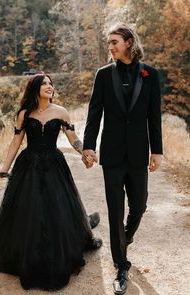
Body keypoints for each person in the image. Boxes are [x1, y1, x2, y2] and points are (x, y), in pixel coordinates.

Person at [0, 73, 102, 291]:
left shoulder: (61, 112)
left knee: (56, 210)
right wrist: (4, 167)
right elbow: (16, 142)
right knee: (29, 211)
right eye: (44, 84)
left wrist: (85, 153)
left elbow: (73, 138)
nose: (49, 86)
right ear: (35, 88)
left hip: (54, 165)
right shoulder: (24, 114)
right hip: (28, 166)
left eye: (51, 83)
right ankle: (29, 255)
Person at [82, 24, 163, 294]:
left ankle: (123, 238)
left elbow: (154, 117)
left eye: (115, 41)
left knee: (139, 206)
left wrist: (157, 151)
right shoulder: (103, 75)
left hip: (139, 153)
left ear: (129, 42)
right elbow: (94, 113)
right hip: (113, 155)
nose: (111, 46)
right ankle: (121, 265)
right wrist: (89, 147)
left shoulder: (150, 74)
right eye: (109, 43)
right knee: (115, 209)